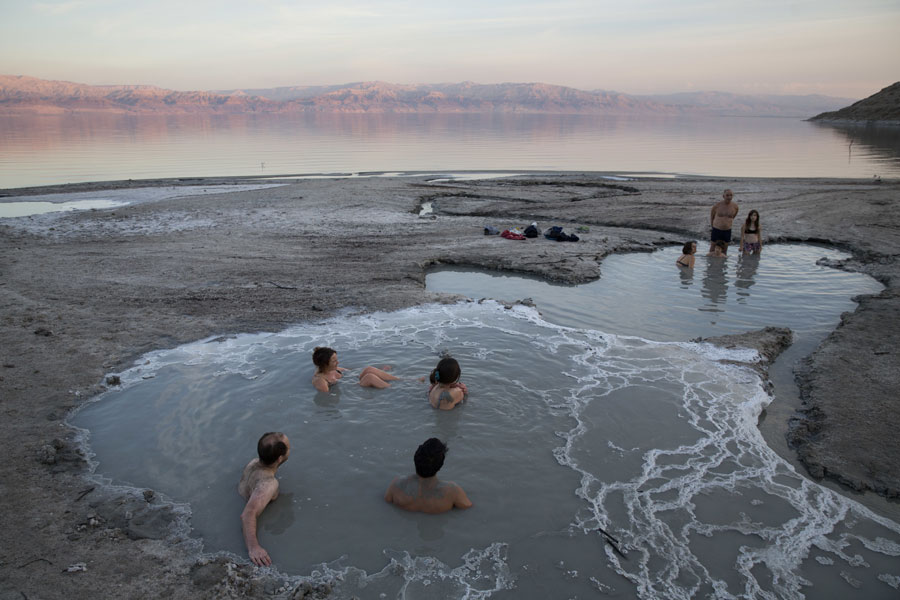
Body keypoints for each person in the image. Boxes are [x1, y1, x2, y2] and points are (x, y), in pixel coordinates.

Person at [238, 432, 290, 567]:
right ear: (279, 459)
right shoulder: (269, 484)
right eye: (289, 448)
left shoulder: (253, 462)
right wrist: (254, 547)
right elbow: (247, 514)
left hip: (243, 495)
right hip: (253, 504)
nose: (291, 449)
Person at [384, 438, 473, 514]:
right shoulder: (453, 492)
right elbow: (468, 510)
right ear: (440, 465)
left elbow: (386, 504)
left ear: (415, 458)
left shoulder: (396, 485)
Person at [311, 346, 399, 392]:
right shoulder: (321, 381)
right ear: (325, 364)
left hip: (352, 381)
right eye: (334, 361)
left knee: (369, 369)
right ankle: (396, 389)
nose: (338, 362)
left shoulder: (333, 369)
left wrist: (380, 371)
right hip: (352, 389)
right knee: (369, 377)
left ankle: (401, 380)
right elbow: (327, 397)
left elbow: (353, 372)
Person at [709, 189, 739, 254]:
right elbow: (712, 217)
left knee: (725, 250)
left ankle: (723, 263)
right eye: (727, 195)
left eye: (731, 195)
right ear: (723, 196)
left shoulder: (735, 207)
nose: (729, 197)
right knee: (712, 249)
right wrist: (713, 227)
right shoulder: (717, 206)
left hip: (727, 230)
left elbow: (733, 217)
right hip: (717, 229)